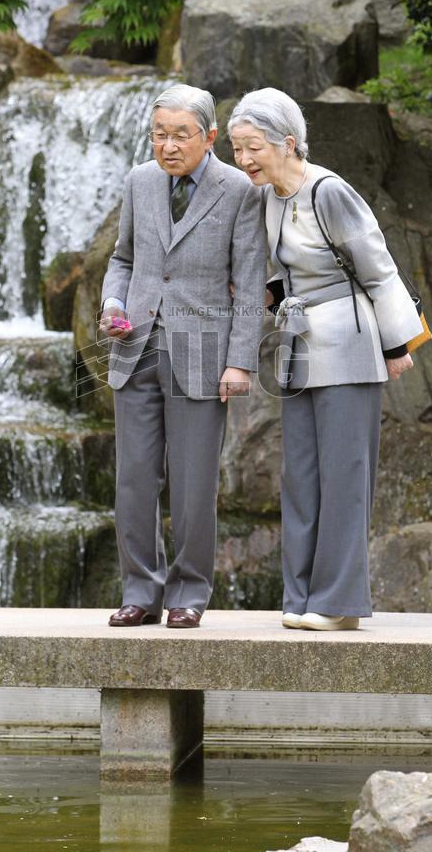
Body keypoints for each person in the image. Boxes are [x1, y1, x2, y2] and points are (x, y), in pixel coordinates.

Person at [228, 88, 423, 631]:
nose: (243, 160)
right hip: (299, 346)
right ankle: (302, 598)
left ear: (288, 143)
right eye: (237, 149)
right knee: (302, 475)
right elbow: (289, 271)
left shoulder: (329, 191)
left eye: (253, 148)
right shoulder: (271, 195)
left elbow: (378, 268)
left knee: (344, 473)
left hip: (349, 342)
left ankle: (338, 605)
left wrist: (396, 345)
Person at [100, 84, 267, 629]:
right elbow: (123, 258)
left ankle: (188, 593)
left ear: (209, 136)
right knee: (135, 479)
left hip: (203, 354)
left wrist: (240, 361)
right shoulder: (139, 182)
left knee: (194, 484)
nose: (167, 146)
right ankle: (139, 592)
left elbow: (248, 281)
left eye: (180, 135)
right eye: (158, 135)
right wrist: (113, 302)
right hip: (136, 347)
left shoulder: (239, 189)